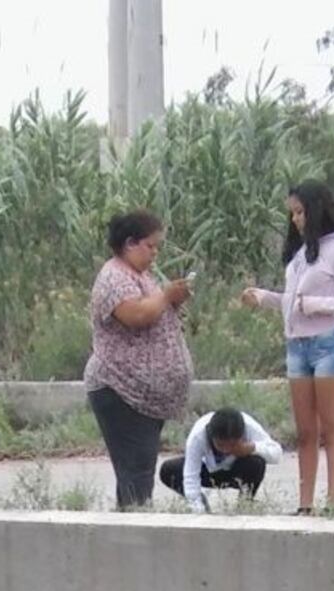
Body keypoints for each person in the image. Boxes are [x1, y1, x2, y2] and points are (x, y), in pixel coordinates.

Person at [241, 181, 334, 513]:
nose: (296, 219)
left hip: (329, 344)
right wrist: (265, 298)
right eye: (292, 213)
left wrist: (317, 304)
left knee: (331, 426)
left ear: (316, 211)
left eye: (300, 212)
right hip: (297, 346)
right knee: (305, 430)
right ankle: (305, 502)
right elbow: (293, 302)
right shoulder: (301, 253)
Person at [84, 210, 194, 509]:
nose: (155, 253)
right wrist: (166, 295)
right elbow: (137, 315)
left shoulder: (140, 276)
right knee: (135, 470)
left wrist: (172, 299)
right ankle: (132, 534)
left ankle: (134, 525)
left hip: (144, 396)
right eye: (151, 246)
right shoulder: (114, 277)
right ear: (130, 243)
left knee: (140, 470)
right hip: (122, 390)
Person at [159, 406, 283, 513]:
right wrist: (198, 511)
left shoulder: (250, 427)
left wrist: (252, 448)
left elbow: (276, 453)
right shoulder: (198, 436)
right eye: (221, 445)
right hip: (208, 472)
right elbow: (191, 477)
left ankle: (244, 507)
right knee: (168, 470)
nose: (226, 450)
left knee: (256, 462)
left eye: (232, 445)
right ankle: (202, 503)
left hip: (237, 471)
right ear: (212, 437)